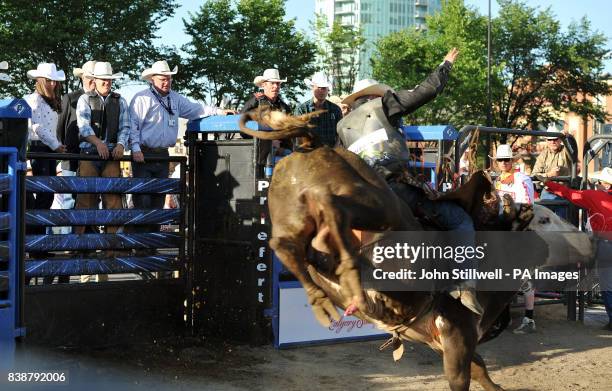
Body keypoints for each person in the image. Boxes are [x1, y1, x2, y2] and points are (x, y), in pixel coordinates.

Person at [336, 48, 483, 316]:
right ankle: (463, 285)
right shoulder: (383, 106)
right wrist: (445, 65)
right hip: (395, 190)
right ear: (373, 96)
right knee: (460, 220)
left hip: (361, 200)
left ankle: (356, 290)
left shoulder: (342, 128)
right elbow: (424, 92)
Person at [130, 60, 231, 251]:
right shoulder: (142, 98)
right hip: (144, 154)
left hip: (163, 155)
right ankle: (140, 244)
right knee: (143, 200)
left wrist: (218, 112)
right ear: (152, 79)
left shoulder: (175, 99)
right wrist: (135, 148)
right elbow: (133, 125)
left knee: (158, 201)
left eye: (168, 78)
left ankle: (151, 244)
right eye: (162, 78)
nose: (166, 82)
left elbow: (197, 110)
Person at [75, 61, 130, 281]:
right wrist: (98, 142)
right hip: (90, 153)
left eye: (109, 80)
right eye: (103, 79)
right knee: (85, 200)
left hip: (109, 155)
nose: (106, 82)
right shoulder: (84, 99)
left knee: (113, 201)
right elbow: (83, 126)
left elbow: (125, 127)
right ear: (95, 81)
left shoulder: (120, 100)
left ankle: (111, 251)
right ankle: (79, 247)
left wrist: (121, 144)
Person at [544, 167, 612, 331]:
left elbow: (570, 194)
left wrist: (548, 183)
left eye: (599, 182)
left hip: (606, 244)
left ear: (604, 184)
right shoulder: (597, 196)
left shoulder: (595, 196)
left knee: (607, 283)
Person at [24, 63, 67, 281]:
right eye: (48, 80)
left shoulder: (51, 101)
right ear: (40, 81)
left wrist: (56, 145)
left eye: (54, 81)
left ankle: (37, 244)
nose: (52, 84)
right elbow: (37, 128)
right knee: (42, 196)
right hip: (39, 150)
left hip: (47, 151)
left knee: (46, 197)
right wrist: (55, 144)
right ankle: (35, 245)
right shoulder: (33, 100)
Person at [489, 144, 537, 333]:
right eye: (500, 160)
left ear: (512, 161)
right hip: (503, 233)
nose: (503, 163)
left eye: (506, 159)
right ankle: (504, 317)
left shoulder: (522, 179)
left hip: (518, 232)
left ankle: (529, 319)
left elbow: (527, 209)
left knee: (523, 276)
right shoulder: (498, 181)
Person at [241, 68, 292, 176]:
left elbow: (289, 133)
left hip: (281, 154)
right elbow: (243, 130)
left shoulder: (284, 107)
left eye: (278, 84)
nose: (276, 86)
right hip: (259, 157)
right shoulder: (254, 104)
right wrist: (268, 142)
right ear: (263, 85)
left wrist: (282, 146)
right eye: (272, 83)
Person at [532, 125, 573, 218]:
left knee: (562, 224)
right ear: (546, 141)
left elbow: (572, 149)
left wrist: (567, 137)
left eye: (555, 138)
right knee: (542, 222)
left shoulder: (566, 150)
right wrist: (550, 174)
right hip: (548, 191)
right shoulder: (543, 154)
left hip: (563, 192)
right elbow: (534, 175)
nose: (553, 141)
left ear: (560, 140)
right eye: (550, 139)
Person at [294, 72, 342, 147]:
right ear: (312, 88)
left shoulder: (335, 109)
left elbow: (339, 134)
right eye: (318, 87)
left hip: (331, 153)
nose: (321, 91)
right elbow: (298, 136)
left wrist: (334, 151)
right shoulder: (301, 109)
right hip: (309, 154)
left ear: (328, 89)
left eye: (324, 88)